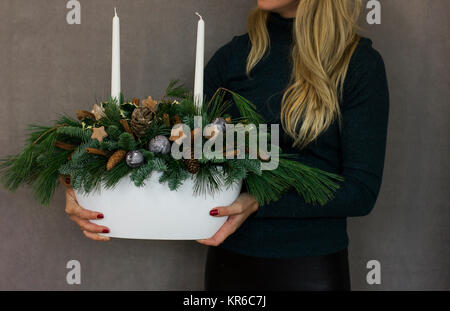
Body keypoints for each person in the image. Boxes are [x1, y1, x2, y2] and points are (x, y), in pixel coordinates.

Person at [64, 0, 389, 291]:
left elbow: (360, 192)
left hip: (310, 270)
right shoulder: (234, 58)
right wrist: (85, 185)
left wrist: (258, 201)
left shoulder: (359, 64)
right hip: (230, 266)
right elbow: (178, 154)